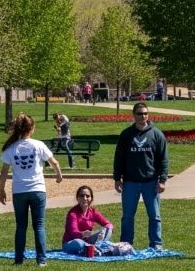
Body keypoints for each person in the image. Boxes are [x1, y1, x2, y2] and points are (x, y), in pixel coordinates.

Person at [0, 113, 63, 266]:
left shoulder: (11, 148)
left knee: (21, 226)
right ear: (32, 128)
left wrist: (1, 190)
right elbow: (54, 162)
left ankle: (19, 259)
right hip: (38, 190)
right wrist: (59, 175)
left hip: (19, 191)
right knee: (39, 225)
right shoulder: (38, 145)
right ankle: (41, 260)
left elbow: (4, 171)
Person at [113, 101, 169, 250]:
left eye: (145, 113)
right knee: (127, 217)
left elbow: (163, 159)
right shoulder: (126, 135)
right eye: (139, 114)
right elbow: (119, 158)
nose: (143, 116)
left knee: (154, 216)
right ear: (134, 115)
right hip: (130, 182)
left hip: (150, 182)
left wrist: (162, 180)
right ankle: (126, 244)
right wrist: (117, 178)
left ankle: (156, 244)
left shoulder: (156, 134)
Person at [62, 185, 114, 255]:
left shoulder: (93, 211)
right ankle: (97, 249)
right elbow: (74, 233)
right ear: (77, 198)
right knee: (79, 243)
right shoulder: (72, 213)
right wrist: (83, 234)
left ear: (91, 198)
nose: (85, 198)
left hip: (89, 240)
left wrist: (102, 232)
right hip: (71, 242)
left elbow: (108, 224)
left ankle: (96, 248)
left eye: (87, 196)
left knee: (108, 229)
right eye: (81, 196)